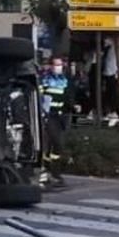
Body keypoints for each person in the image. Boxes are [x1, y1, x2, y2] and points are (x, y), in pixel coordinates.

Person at [39, 55, 70, 184]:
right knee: (53, 143)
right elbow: (41, 97)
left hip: (61, 116)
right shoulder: (45, 80)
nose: (58, 67)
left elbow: (68, 97)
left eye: (60, 65)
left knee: (57, 146)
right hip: (49, 115)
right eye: (55, 64)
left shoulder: (65, 80)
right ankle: (49, 173)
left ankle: (52, 173)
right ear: (51, 66)